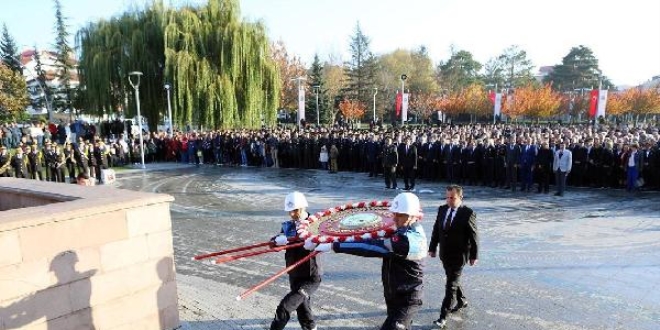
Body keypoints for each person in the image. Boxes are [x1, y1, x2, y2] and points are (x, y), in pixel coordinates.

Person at [308, 192, 427, 330]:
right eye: (394, 213)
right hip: (395, 294)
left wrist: (334, 245)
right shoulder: (402, 229)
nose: (394, 218)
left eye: (400, 214)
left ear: (412, 215)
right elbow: (368, 236)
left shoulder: (409, 240)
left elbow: (371, 247)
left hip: (408, 298)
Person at [428, 185, 479, 328]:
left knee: (450, 286)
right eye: (447, 197)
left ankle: (443, 317)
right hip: (445, 254)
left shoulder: (468, 213)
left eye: (453, 198)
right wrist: (432, 248)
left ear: (460, 198)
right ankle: (462, 300)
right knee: (453, 280)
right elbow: (436, 230)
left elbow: (474, 237)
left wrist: (474, 256)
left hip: (459, 255)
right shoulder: (442, 209)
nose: (449, 200)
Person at [270, 191, 321, 330]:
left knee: (284, 307)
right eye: (289, 211)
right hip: (294, 273)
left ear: (303, 208)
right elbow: (274, 243)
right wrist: (276, 241)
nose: (292, 214)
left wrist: (315, 243)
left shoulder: (315, 223)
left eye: (294, 211)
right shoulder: (288, 225)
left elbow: (326, 242)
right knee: (304, 312)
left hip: (309, 277)